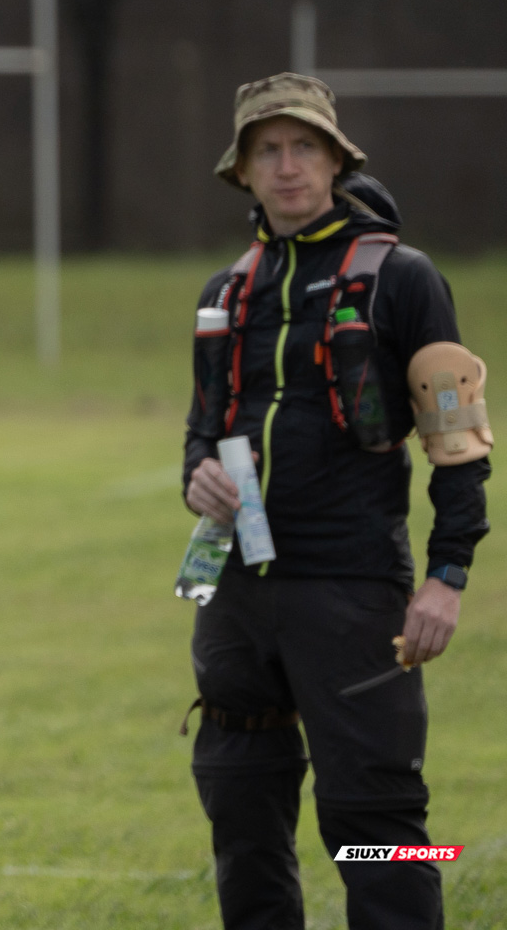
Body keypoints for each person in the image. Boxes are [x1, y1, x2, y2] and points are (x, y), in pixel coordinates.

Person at [182, 73, 490, 930]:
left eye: (303, 147)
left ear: (335, 159)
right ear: (241, 171)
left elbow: (458, 443)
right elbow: (201, 429)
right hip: (237, 595)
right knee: (243, 818)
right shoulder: (223, 293)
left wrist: (448, 574)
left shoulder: (403, 278)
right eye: (267, 151)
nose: (287, 167)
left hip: (354, 591)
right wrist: (197, 474)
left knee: (376, 823)